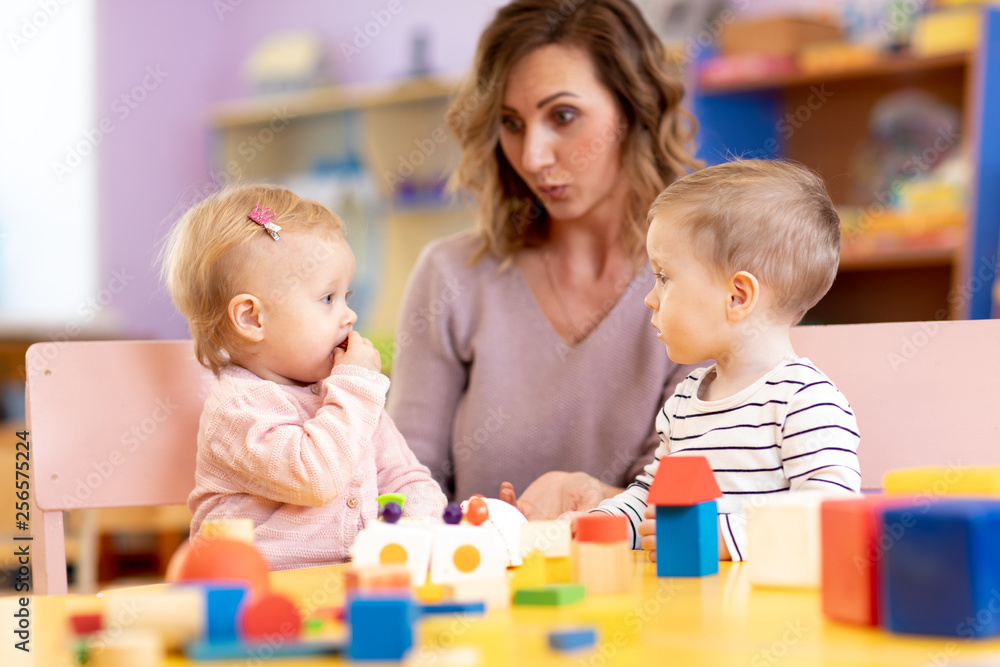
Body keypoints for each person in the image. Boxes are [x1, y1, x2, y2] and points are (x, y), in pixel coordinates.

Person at [387, 0, 704, 515]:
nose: (533, 156)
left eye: (563, 116)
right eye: (511, 123)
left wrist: (592, 500)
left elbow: (685, 501)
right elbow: (399, 487)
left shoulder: (701, 282)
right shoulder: (451, 277)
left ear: (633, 108)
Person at [586, 159, 862, 561]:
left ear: (738, 297)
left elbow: (829, 516)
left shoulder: (805, 402)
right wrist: (598, 523)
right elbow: (649, 500)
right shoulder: (684, 402)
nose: (650, 297)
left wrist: (723, 537)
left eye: (664, 276)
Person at [162, 183, 446, 570]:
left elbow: (405, 477)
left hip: (354, 582)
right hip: (254, 594)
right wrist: (356, 388)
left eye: (349, 295)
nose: (350, 316)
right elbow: (315, 477)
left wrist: (418, 528)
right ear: (251, 318)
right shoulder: (239, 409)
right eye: (328, 299)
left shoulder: (347, 393)